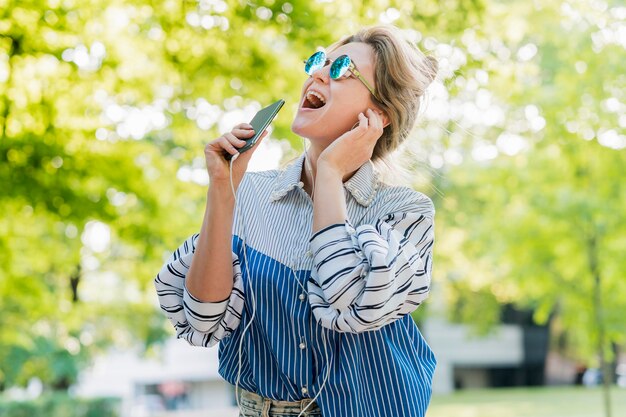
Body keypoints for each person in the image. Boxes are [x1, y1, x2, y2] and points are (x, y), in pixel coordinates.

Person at [155, 25, 438, 417]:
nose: (318, 74)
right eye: (318, 62)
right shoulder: (250, 194)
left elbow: (348, 300)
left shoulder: (405, 212)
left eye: (340, 68)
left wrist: (329, 173)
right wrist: (223, 189)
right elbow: (203, 320)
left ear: (379, 115)